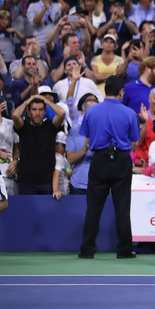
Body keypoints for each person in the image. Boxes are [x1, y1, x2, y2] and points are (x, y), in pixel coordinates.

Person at [79, 75, 140, 259]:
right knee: (122, 208)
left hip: (98, 160)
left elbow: (87, 140)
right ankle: (124, 250)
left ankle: (87, 250)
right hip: (121, 160)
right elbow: (134, 142)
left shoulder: (91, 111)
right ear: (121, 92)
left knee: (93, 208)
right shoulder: (129, 113)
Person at [13, 94, 66, 195]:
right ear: (28, 112)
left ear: (45, 112)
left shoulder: (50, 127)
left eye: (41, 110)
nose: (37, 113)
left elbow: (62, 113)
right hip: (26, 182)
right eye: (34, 110)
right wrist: (27, 102)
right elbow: (15, 115)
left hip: (47, 182)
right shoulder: (24, 127)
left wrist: (46, 101)